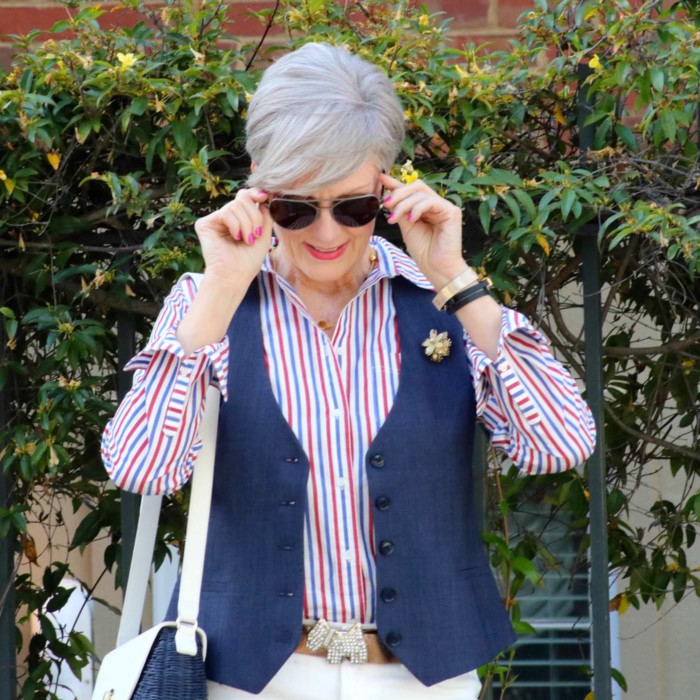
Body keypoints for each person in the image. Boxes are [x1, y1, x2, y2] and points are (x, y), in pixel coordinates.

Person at [102, 42, 596, 700]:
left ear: (386, 189)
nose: (327, 233)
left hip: (423, 682)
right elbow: (142, 468)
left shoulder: (439, 300)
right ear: (260, 186)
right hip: (251, 680)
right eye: (297, 208)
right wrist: (220, 290)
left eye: (354, 208)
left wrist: (454, 277)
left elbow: (561, 442)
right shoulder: (210, 303)